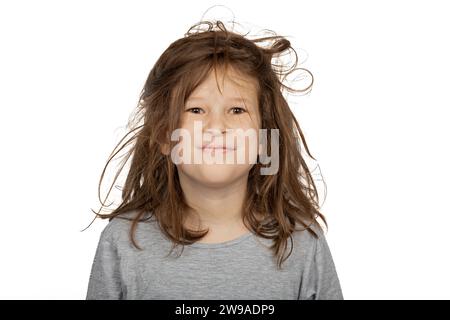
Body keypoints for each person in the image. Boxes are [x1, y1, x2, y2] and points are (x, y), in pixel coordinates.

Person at [85, 20, 343, 300]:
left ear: (263, 138)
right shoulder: (122, 241)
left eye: (236, 109)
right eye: (196, 109)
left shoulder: (303, 242)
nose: (216, 126)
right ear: (163, 136)